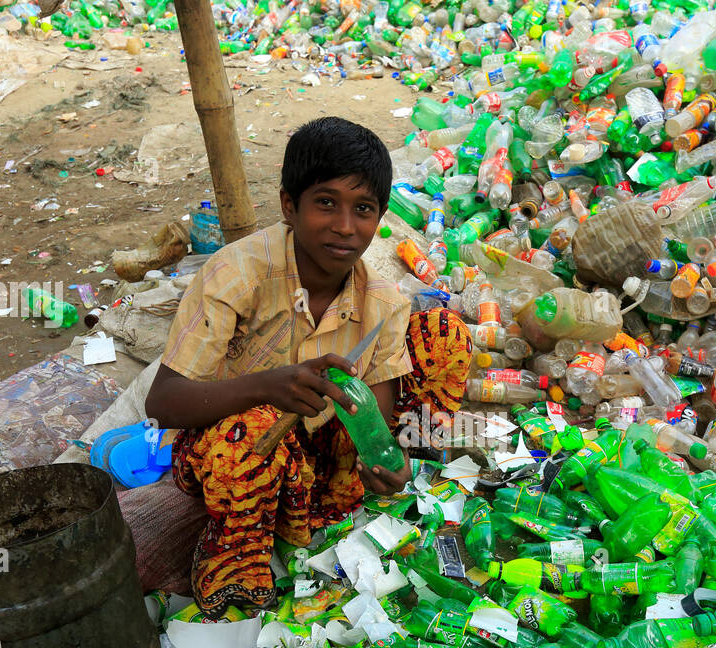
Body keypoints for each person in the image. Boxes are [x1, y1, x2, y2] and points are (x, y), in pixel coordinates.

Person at [145, 117, 471, 615]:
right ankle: (236, 557)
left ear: (380, 216)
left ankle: (380, 478)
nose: (345, 227)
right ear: (288, 206)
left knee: (444, 333)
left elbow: (374, 416)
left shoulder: (380, 301)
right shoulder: (237, 274)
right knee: (251, 429)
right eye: (325, 203)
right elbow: (163, 402)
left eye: (362, 209)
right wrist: (268, 387)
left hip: (321, 458)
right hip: (227, 449)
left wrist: (384, 457)